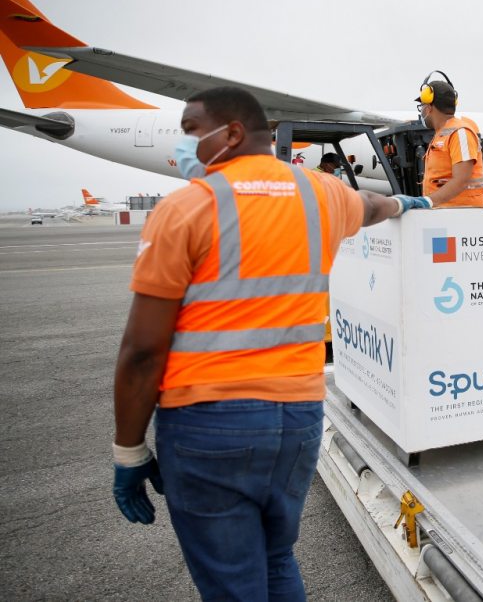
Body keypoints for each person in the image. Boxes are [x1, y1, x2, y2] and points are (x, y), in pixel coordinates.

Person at [111, 87, 430, 600]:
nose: (184, 144)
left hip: (210, 423)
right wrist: (407, 203)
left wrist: (128, 450)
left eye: (191, 131)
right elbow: (371, 206)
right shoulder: (320, 192)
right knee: (276, 559)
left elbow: (143, 352)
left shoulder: (187, 207)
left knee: (233, 580)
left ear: (233, 133)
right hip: (297, 419)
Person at [415, 71, 483, 208]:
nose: (421, 111)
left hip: (462, 214)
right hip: (447, 212)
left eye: (422, 106)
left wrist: (427, 202)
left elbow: (461, 180)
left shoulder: (460, 133)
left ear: (429, 108)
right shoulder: (442, 135)